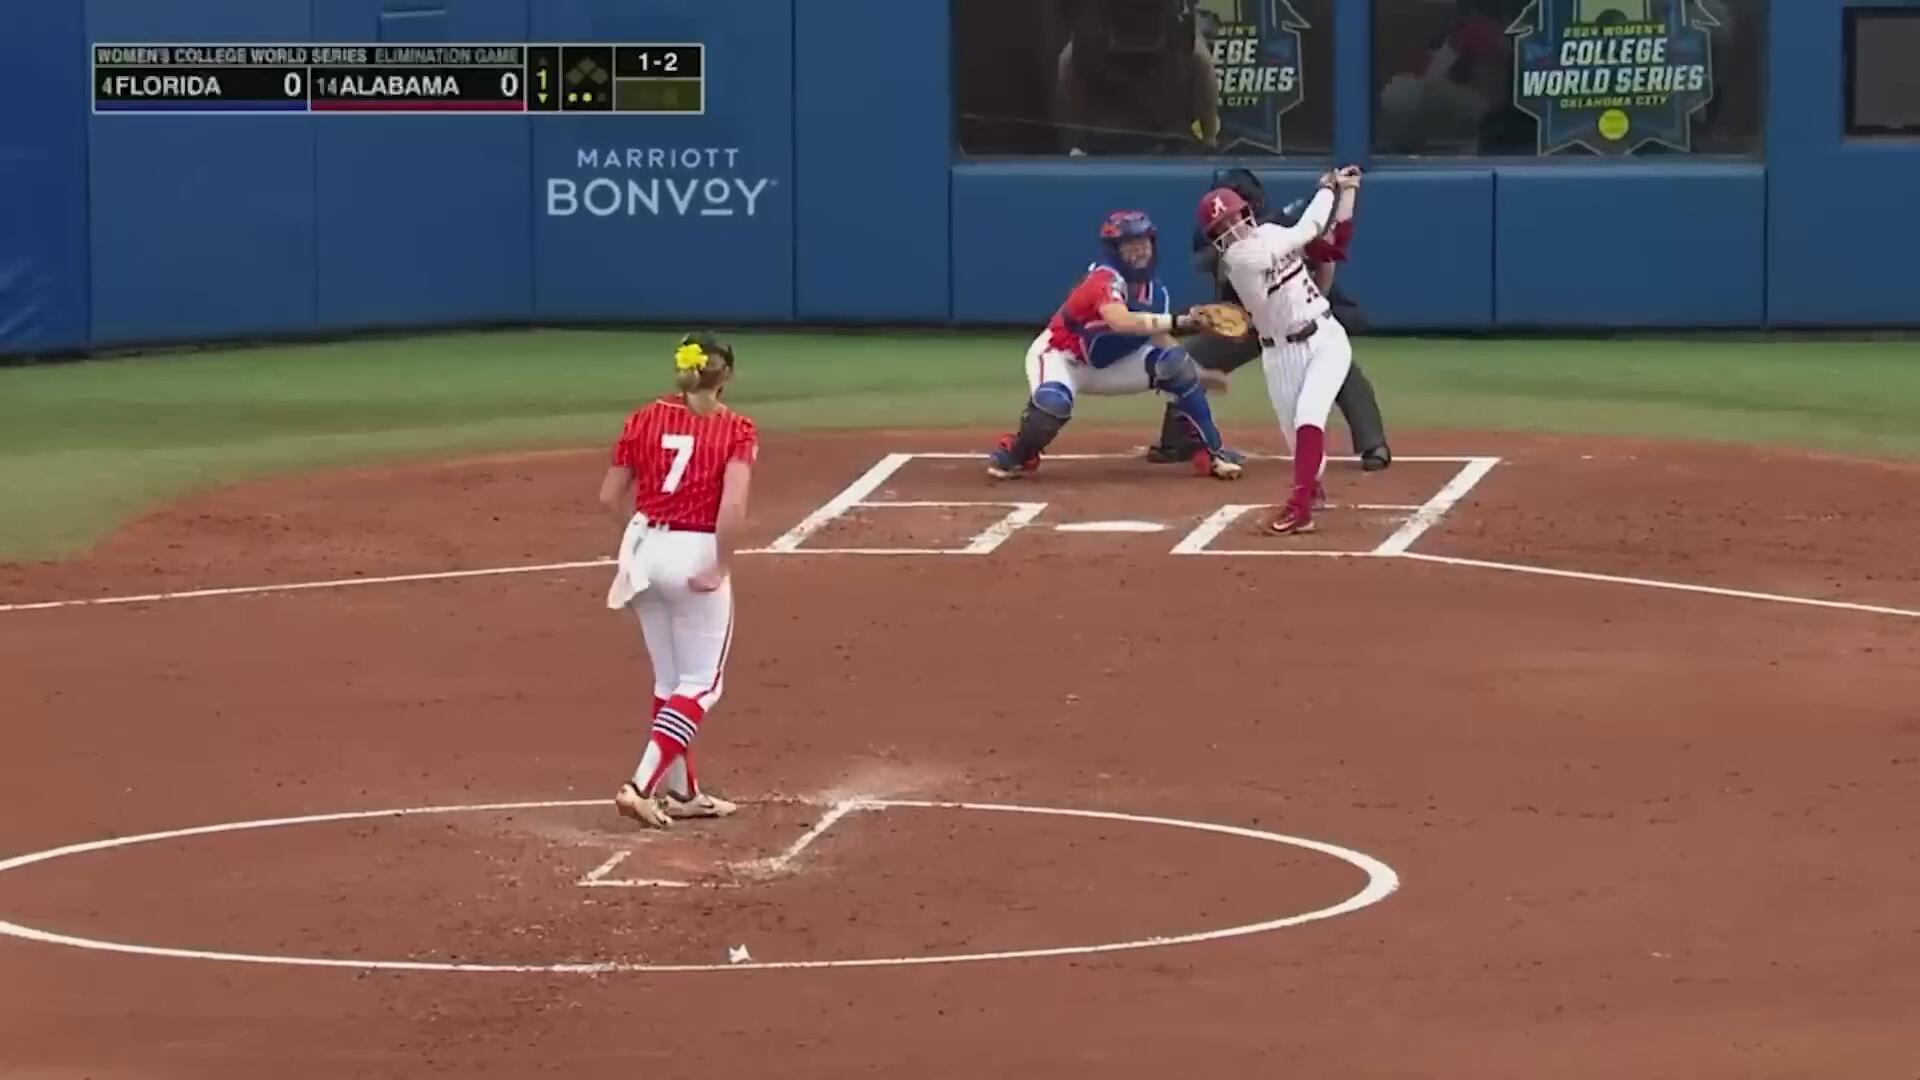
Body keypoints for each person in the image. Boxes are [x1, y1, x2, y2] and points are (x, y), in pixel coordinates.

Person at [598, 332, 757, 829]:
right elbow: (733, 505)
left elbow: (609, 497)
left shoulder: (643, 418)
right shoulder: (736, 429)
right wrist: (721, 564)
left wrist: (641, 541)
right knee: (702, 685)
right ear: (727, 375)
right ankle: (640, 785)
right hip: (695, 551)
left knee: (670, 682)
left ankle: (683, 793)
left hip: (645, 551)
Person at [1145, 167, 1391, 471]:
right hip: (1244, 321)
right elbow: (1220, 274)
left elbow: (1327, 257)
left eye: (1234, 211)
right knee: (1189, 362)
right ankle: (1178, 440)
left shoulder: (1279, 228)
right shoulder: (1213, 235)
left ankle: (1372, 443)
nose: (1228, 224)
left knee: (1337, 367)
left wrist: (1317, 301)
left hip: (1296, 310)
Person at [988, 209, 1245, 480]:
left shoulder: (1156, 292)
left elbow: (1160, 339)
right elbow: (1119, 320)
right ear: (1114, 250)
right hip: (1063, 357)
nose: (1139, 251)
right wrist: (1181, 321)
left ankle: (1212, 452)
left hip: (1113, 364)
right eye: (1129, 245)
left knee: (1175, 366)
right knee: (1052, 405)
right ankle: (1018, 453)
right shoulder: (1102, 279)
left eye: (1143, 243)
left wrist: (1196, 373)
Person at [1200, 166, 1363, 535]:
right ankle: (1312, 489)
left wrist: (1346, 193)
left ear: (1245, 213)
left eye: (1233, 219)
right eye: (1222, 227)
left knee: (1309, 417)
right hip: (1279, 354)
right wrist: (1327, 189)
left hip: (1324, 337)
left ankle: (1299, 507)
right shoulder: (1239, 261)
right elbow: (1308, 228)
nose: (1231, 229)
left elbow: (1329, 242)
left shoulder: (1271, 233)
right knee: (1298, 442)